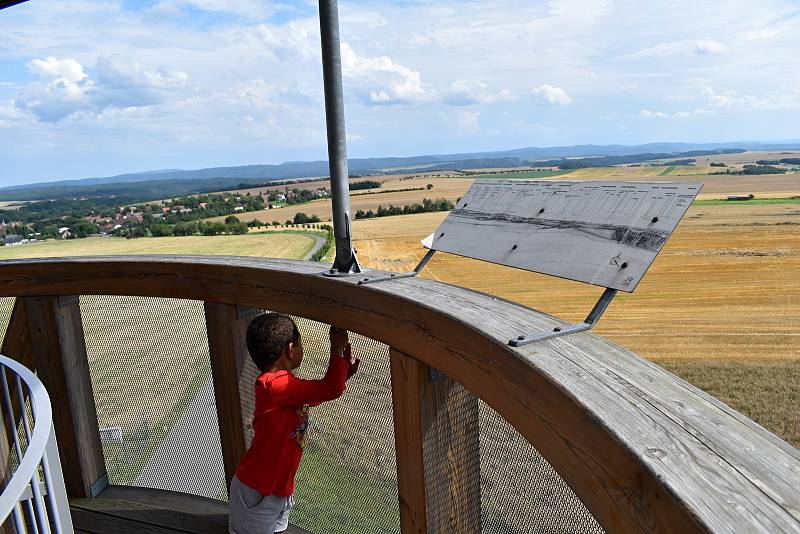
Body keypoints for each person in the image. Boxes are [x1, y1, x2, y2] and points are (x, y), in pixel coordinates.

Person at [229, 313, 359, 534]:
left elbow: (316, 394)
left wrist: (342, 374)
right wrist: (336, 348)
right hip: (256, 493)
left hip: (278, 488)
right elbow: (330, 389)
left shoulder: (282, 387)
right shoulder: (273, 385)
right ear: (291, 350)